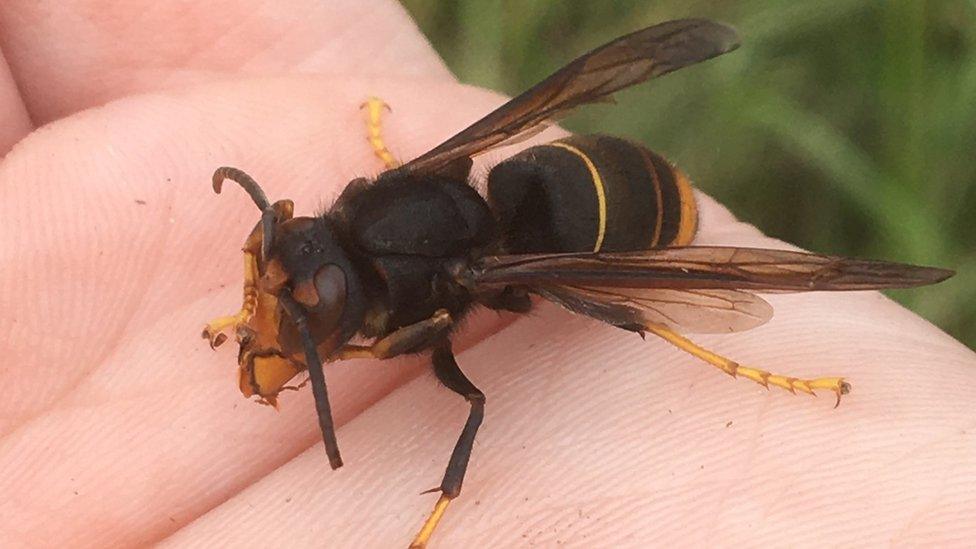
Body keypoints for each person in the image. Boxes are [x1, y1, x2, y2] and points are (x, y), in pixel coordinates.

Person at [0, 2, 973, 547]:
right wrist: (251, 319)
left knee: (569, 326)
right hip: (549, 173)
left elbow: (422, 345)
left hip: (618, 213)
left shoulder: (476, 273)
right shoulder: (375, 222)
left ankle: (726, 376)